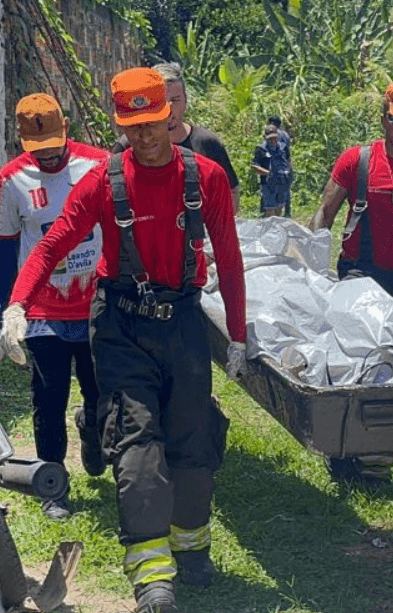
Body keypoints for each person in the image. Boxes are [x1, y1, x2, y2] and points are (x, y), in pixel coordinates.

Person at [0, 68, 248, 613]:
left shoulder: (204, 177)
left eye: (152, 123)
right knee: (136, 443)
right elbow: (51, 244)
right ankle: (152, 575)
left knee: (193, 438)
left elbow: (229, 258)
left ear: (170, 114)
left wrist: (238, 335)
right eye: (132, 127)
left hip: (182, 322)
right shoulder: (102, 181)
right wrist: (17, 304)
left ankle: (192, 546)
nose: (144, 137)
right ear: (121, 125)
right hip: (120, 324)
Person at [308, 83, 393, 486]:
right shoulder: (357, 161)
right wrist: (314, 267)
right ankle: (342, 452)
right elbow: (324, 212)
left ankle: (377, 456)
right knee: (355, 369)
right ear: (383, 119)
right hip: (361, 276)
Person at [0, 93, 109, 520]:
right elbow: (7, 252)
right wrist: (10, 310)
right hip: (44, 310)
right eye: (38, 150)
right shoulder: (11, 182)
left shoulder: (98, 166)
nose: (48, 157)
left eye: (54, 146)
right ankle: (53, 484)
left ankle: (94, 431)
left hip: (95, 302)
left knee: (100, 390)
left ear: (67, 131)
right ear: (23, 141)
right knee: (47, 399)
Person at [112, 62, 241, 215]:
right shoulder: (129, 144)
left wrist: (216, 229)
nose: (170, 107)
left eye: (176, 99)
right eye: (163, 101)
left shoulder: (208, 143)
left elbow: (231, 191)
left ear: (186, 101)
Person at [252, 124, 291, 218]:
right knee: (270, 213)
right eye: (270, 139)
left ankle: (275, 231)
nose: (273, 141)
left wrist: (287, 173)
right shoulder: (261, 150)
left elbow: (288, 161)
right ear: (265, 138)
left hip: (282, 183)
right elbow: (255, 166)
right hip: (268, 185)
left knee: (279, 211)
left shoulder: (283, 147)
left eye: (274, 138)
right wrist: (268, 173)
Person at [268, 115, 293, 217]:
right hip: (286, 164)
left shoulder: (271, 134)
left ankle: (271, 213)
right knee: (286, 188)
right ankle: (287, 212)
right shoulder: (285, 135)